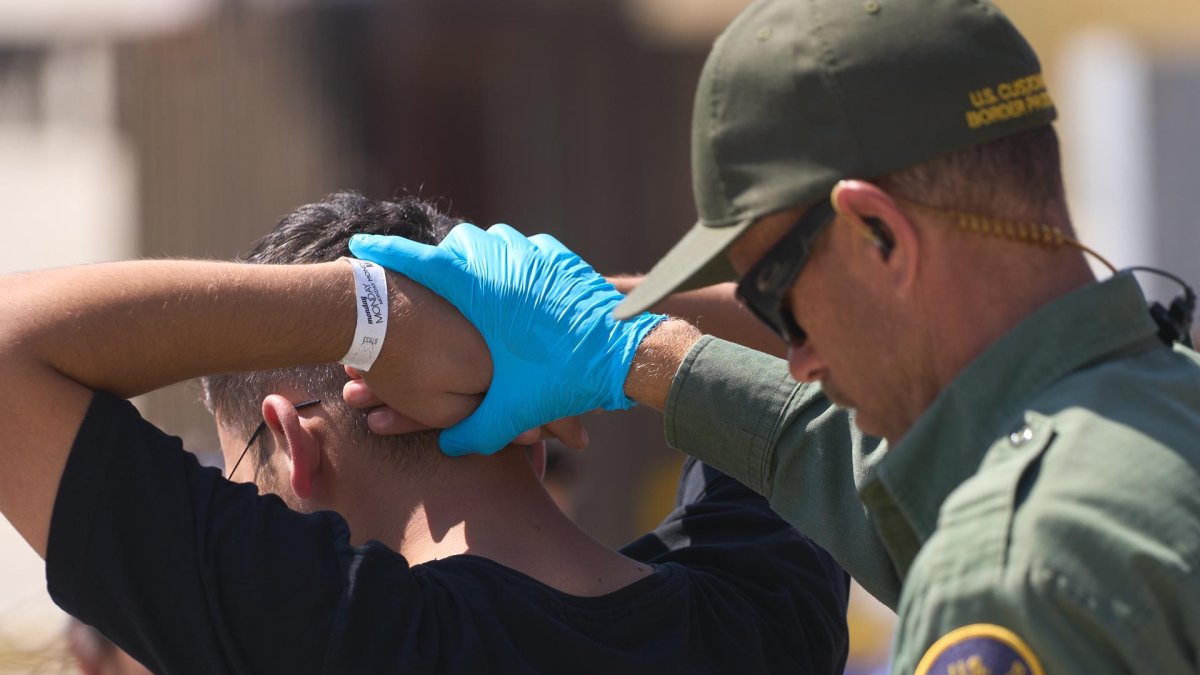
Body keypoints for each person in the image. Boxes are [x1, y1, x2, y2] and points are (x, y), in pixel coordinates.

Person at [342, 0, 1200, 672]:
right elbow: (894, 486)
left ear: (883, 237)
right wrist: (632, 349)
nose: (796, 358)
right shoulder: (1165, 405)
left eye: (773, 295)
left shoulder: (1008, 572)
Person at [0, 191, 850, 674]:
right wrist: (565, 330)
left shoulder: (344, 643)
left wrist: (377, 319)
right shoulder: (766, 610)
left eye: (241, 470)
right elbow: (815, 323)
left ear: (291, 445)